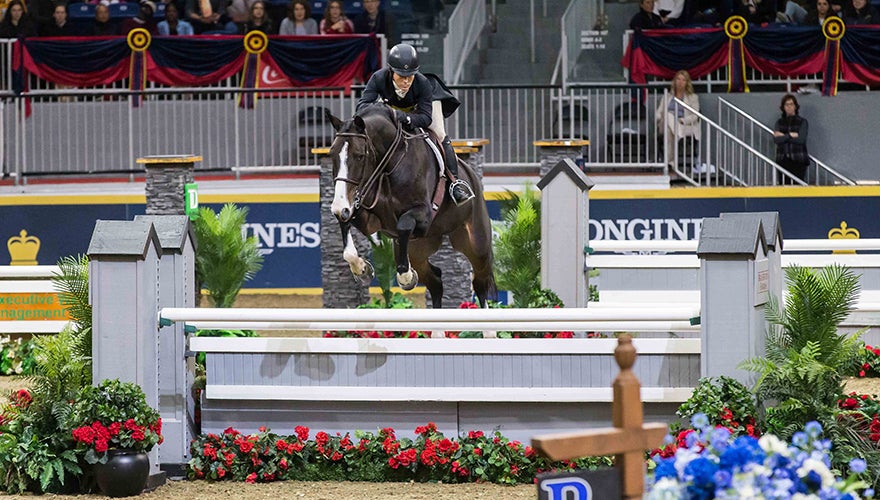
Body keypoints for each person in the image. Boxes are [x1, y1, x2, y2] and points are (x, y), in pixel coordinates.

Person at [356, 43, 474, 205]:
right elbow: (361, 108)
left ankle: (455, 183)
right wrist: (383, 111)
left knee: (439, 133)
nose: (406, 81)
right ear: (391, 72)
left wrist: (406, 118)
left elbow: (426, 118)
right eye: (401, 76)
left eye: (410, 76)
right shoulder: (378, 78)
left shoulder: (422, 83)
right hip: (392, 109)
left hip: (421, 108)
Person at [655, 70, 701, 167]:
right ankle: (678, 132)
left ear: (687, 83)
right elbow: (659, 112)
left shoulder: (693, 97)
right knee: (668, 115)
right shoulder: (667, 97)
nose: (680, 82)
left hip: (684, 125)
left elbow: (695, 115)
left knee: (669, 131)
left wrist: (682, 120)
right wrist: (658, 117)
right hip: (667, 122)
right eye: (678, 79)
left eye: (683, 80)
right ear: (674, 81)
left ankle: (670, 162)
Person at [773, 94, 810, 182]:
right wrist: (790, 135)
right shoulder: (779, 122)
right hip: (782, 159)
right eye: (786, 104)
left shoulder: (802, 122)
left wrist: (783, 136)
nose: (789, 107)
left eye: (791, 104)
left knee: (798, 188)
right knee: (784, 188)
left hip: (798, 160)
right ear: (783, 107)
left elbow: (801, 140)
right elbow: (776, 140)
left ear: (795, 106)